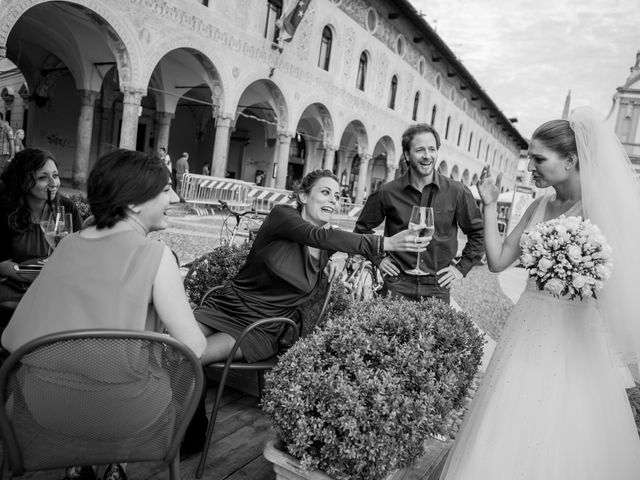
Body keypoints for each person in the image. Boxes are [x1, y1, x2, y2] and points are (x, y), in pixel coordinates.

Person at [440, 107, 640, 479]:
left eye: (538, 158)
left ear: (570, 160)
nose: (530, 166)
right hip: (527, 325)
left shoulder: (600, 211)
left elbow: (620, 283)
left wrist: (579, 275)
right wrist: (487, 203)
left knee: (567, 419)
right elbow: (498, 261)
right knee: (510, 409)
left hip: (577, 334)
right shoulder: (539, 204)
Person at [2, 149, 207, 480]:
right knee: (144, 374)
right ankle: (115, 466)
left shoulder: (65, 246)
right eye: (165, 189)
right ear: (134, 203)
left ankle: (80, 462)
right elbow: (194, 347)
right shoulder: (157, 255)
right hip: (125, 411)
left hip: (47, 406)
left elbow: (13, 339)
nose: (175, 196)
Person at [193, 169, 429, 364]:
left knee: (192, 355)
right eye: (325, 192)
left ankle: (193, 419)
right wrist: (384, 242)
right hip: (226, 306)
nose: (333, 200)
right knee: (171, 346)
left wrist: (326, 272)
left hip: (260, 328)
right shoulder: (282, 216)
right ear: (303, 197)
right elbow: (315, 236)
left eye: (336, 197)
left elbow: (329, 241)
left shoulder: (327, 244)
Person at [354, 123, 484, 304]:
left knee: (433, 333)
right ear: (407, 155)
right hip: (397, 283)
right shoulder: (387, 192)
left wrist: (460, 269)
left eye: (432, 149)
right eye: (420, 150)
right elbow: (361, 229)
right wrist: (378, 259)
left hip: (437, 285)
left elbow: (478, 233)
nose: (427, 156)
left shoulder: (458, 192)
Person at [0, 149, 83, 305]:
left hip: (58, 286)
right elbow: (3, 264)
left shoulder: (67, 208)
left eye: (55, 176)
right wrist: (35, 273)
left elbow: (80, 256)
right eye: (42, 178)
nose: (53, 183)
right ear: (22, 181)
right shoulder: (5, 210)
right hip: (15, 286)